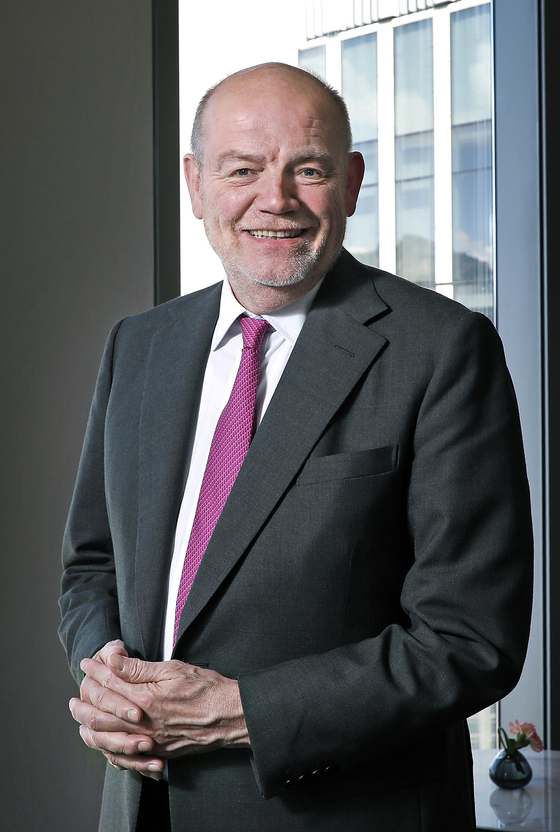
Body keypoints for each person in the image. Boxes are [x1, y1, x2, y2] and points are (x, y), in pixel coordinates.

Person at [60, 62, 533, 832]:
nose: (273, 200)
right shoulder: (138, 346)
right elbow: (91, 564)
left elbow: (469, 637)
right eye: (242, 169)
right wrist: (103, 673)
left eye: (306, 170)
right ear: (195, 184)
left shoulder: (444, 350)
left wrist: (238, 711)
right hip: (141, 809)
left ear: (349, 183)